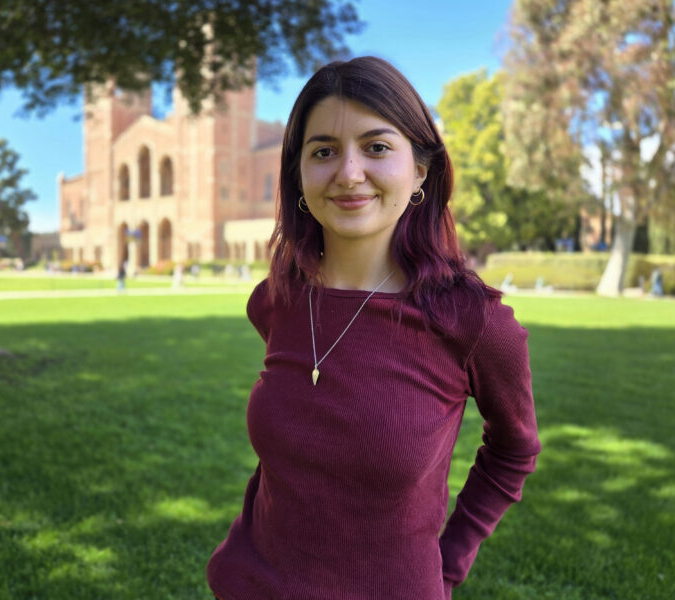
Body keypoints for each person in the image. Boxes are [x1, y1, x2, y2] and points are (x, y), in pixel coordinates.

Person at [207, 56, 541, 600]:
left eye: (377, 147)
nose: (348, 173)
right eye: (323, 151)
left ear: (421, 170)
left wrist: (445, 566)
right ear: (298, 173)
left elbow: (513, 450)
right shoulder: (277, 302)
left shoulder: (471, 320)